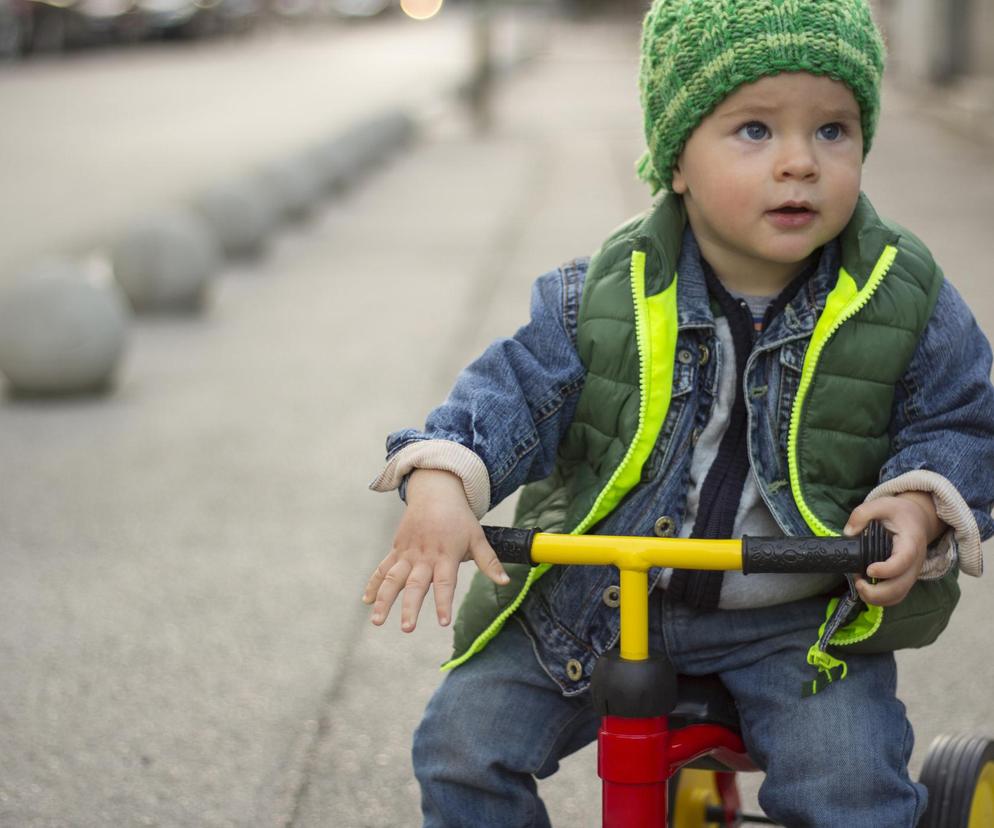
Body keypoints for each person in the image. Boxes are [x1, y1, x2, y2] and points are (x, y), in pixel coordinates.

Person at [364, 1, 994, 824]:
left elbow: (962, 416)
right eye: (755, 131)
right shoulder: (605, 292)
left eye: (833, 131)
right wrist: (444, 476)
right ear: (677, 161)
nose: (800, 162)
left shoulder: (897, 291)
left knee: (851, 787)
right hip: (594, 606)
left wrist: (918, 502)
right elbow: (512, 391)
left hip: (794, 619)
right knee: (460, 747)